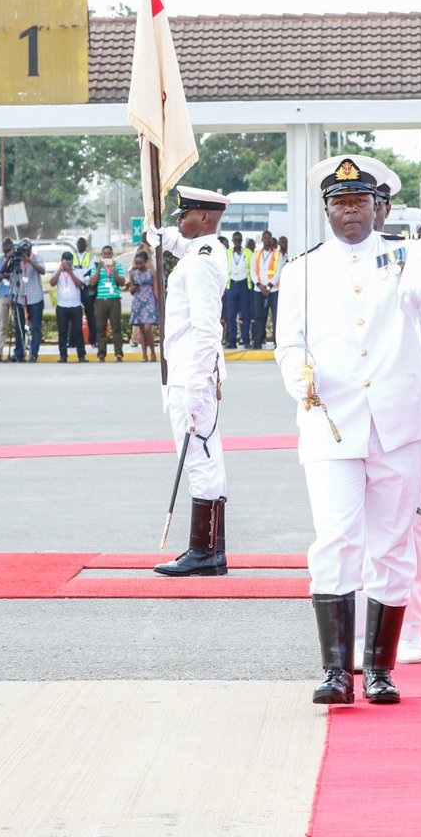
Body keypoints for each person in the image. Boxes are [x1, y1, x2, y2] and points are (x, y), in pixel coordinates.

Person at [275, 154, 421, 705]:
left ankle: (379, 668)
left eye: (359, 201)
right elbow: (289, 345)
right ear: (327, 210)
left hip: (399, 427)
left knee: (394, 546)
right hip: (330, 424)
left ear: (377, 208)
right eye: (339, 202)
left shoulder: (411, 257)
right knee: (335, 539)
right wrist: (296, 375)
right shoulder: (300, 271)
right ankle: (336, 670)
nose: (349, 211)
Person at [151, 186, 232, 577]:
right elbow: (180, 246)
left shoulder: (200, 262)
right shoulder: (205, 252)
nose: (179, 220)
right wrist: (161, 235)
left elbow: (205, 329)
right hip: (190, 372)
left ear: (203, 218)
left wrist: (198, 386)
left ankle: (204, 551)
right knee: (206, 456)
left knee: (199, 459)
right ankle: (210, 551)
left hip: (191, 373)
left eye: (183, 214)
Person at [49, 251, 88, 363]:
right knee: (62, 332)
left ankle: (81, 356)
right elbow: (52, 283)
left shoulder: (77, 271)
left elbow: (80, 284)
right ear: (61, 260)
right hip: (62, 306)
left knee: (78, 331)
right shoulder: (58, 272)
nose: (67, 261)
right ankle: (63, 356)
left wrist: (71, 272)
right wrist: (60, 270)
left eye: (69, 259)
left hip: (75, 306)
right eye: (65, 260)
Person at [90, 244, 126, 362]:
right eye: (105, 254)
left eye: (109, 254)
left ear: (112, 254)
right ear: (102, 255)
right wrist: (100, 268)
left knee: (116, 327)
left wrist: (114, 271)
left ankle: (118, 353)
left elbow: (121, 282)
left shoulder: (118, 266)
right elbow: (92, 282)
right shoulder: (96, 267)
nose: (107, 256)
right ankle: (101, 354)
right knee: (101, 328)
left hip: (114, 299)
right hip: (101, 300)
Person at [251, 232, 281, 349]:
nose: (267, 240)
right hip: (258, 290)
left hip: (273, 290)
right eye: (265, 238)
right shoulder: (256, 254)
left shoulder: (278, 254)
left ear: (272, 239)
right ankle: (257, 342)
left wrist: (268, 286)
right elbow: (252, 271)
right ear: (262, 239)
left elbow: (278, 272)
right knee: (259, 316)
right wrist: (260, 285)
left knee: (275, 316)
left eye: (269, 238)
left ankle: (277, 343)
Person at [128, 249, 159, 363]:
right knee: (141, 329)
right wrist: (133, 288)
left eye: (141, 263)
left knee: (147, 328)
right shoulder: (133, 274)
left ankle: (153, 353)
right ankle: (144, 355)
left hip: (149, 300)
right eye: (137, 263)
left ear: (146, 261)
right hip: (138, 301)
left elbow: (155, 287)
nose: (139, 265)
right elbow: (131, 290)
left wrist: (158, 302)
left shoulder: (152, 272)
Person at [224, 231, 253, 349]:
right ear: (232, 241)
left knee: (245, 315)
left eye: (239, 240)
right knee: (231, 315)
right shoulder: (228, 253)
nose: (237, 242)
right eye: (235, 240)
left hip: (244, 285)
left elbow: (252, 268)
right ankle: (232, 341)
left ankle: (245, 340)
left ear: (242, 241)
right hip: (232, 286)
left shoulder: (248, 252)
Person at [74, 237, 98, 349]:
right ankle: (72, 341)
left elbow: (92, 271)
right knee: (74, 315)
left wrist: (83, 278)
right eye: (79, 243)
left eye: (83, 243)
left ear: (86, 245)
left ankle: (93, 340)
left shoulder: (92, 257)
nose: (80, 245)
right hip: (75, 287)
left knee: (90, 315)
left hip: (87, 288)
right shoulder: (72, 256)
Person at [0, 238, 14, 361]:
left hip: (15, 294)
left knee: (18, 325)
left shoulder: (17, 258)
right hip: (2, 294)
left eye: (9, 247)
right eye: (5, 247)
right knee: (2, 325)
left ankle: (20, 351)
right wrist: (6, 260)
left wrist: (4, 275)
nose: (7, 249)